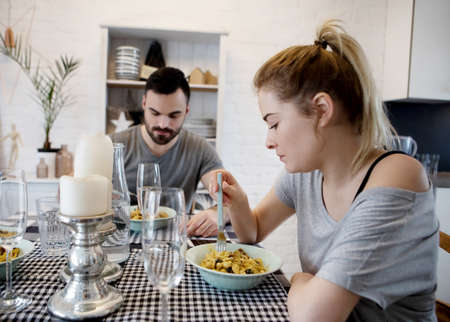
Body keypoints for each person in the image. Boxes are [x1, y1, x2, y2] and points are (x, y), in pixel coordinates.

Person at [203, 20, 439, 321]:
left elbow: (314, 317)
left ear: (322, 110)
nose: (268, 141)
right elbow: (254, 231)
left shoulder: (398, 176)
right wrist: (237, 202)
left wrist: (301, 279)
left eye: (274, 123)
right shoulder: (308, 172)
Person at [110, 67, 223, 228]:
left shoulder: (201, 149)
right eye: (155, 113)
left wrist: (216, 213)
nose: (163, 124)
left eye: (174, 115)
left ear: (186, 111)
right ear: (143, 104)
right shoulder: (113, 145)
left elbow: (227, 200)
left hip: (176, 240)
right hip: (120, 240)